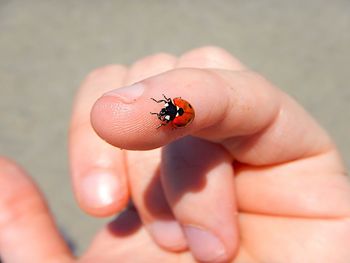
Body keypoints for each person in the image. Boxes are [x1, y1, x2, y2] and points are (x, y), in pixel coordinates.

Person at [0, 46, 349, 263]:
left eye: (167, 114)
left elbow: (178, 109)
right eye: (168, 113)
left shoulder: (177, 111)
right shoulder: (172, 111)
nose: (166, 114)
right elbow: (172, 109)